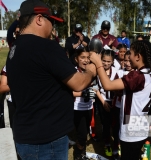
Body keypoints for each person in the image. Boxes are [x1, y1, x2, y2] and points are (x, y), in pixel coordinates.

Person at [6, 1, 96, 159]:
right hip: (47, 140)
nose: (53, 26)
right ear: (39, 19)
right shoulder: (46, 46)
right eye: (51, 21)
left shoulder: (15, 48)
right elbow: (79, 83)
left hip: (25, 136)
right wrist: (91, 70)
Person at [90, 40, 151, 160]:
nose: (128, 58)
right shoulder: (148, 73)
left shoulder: (137, 76)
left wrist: (98, 63)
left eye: (131, 54)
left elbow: (107, 85)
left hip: (131, 129)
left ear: (138, 57)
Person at [72, 48, 95, 160]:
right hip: (77, 108)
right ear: (76, 59)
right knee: (81, 134)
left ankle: (82, 153)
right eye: (82, 58)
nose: (86, 60)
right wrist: (82, 93)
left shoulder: (92, 72)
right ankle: (78, 156)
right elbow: (68, 92)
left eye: (88, 58)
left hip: (89, 106)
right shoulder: (73, 72)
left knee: (85, 132)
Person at [95, 49, 118, 157]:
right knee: (105, 124)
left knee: (116, 125)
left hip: (115, 102)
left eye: (109, 61)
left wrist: (113, 102)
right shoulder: (97, 71)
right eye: (104, 60)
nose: (106, 63)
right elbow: (95, 88)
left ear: (113, 61)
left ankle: (116, 145)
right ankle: (107, 143)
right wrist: (103, 102)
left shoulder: (118, 71)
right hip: (102, 101)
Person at [112, 51, 133, 159]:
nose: (128, 63)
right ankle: (116, 149)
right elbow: (114, 88)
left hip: (130, 108)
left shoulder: (137, 74)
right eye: (125, 60)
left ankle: (130, 150)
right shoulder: (119, 72)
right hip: (118, 105)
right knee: (117, 129)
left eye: (130, 60)